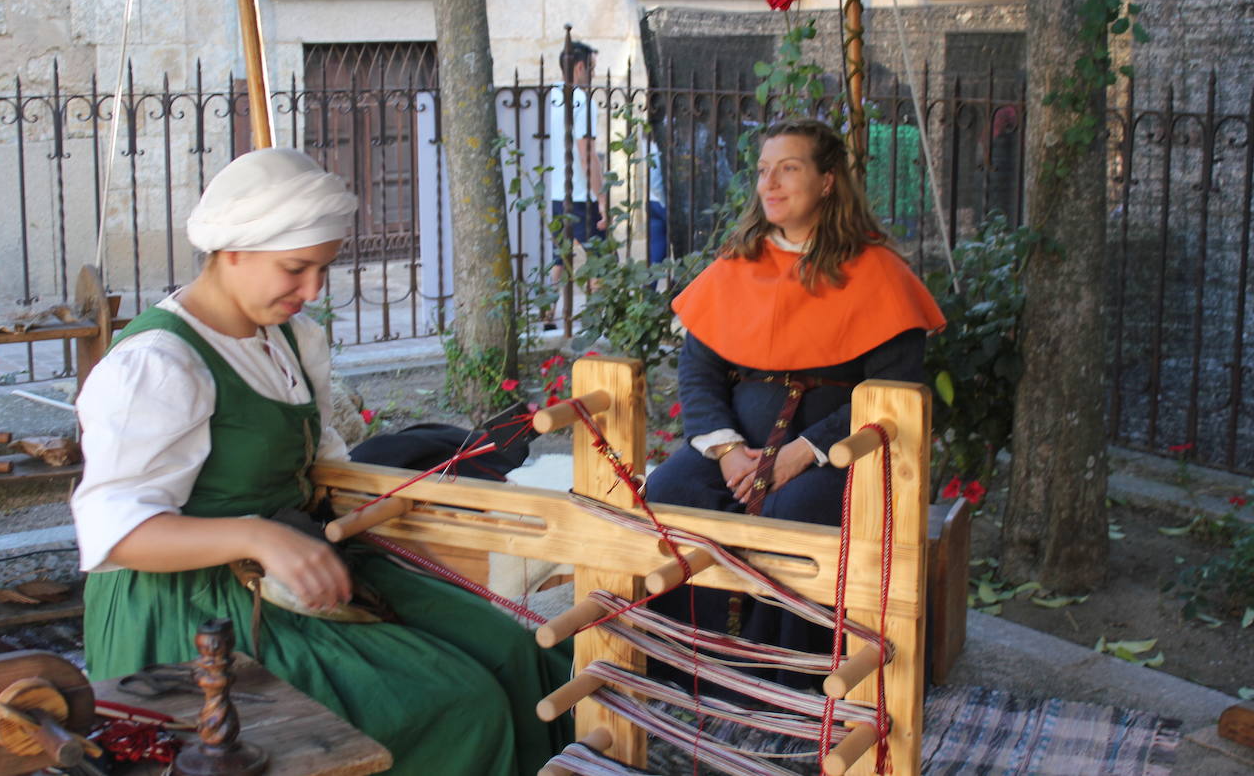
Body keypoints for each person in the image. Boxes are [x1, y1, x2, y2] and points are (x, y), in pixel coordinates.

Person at [71, 147, 569, 775]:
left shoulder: (288, 338)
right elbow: (113, 534)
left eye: (323, 269)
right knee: (461, 704)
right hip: (191, 609)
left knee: (514, 653)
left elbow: (321, 463)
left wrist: (402, 498)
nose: (311, 291)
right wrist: (261, 536)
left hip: (298, 558)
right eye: (295, 269)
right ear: (232, 253)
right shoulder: (158, 365)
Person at [644, 118, 944, 678]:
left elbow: (889, 395)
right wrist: (728, 450)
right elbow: (699, 372)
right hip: (740, 445)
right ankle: (685, 661)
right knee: (673, 488)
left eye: (788, 169)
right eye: (763, 171)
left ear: (827, 181)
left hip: (836, 452)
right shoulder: (737, 265)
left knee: (796, 512)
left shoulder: (879, 273)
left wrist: (805, 452)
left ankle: (789, 678)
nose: (770, 184)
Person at [547, 39, 606, 288]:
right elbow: (587, 154)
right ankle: (600, 317)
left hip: (555, 193)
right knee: (601, 257)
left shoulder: (548, 97)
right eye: (591, 69)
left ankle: (546, 313)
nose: (592, 75)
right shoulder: (582, 101)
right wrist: (601, 198)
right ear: (580, 68)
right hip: (580, 195)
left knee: (558, 255)